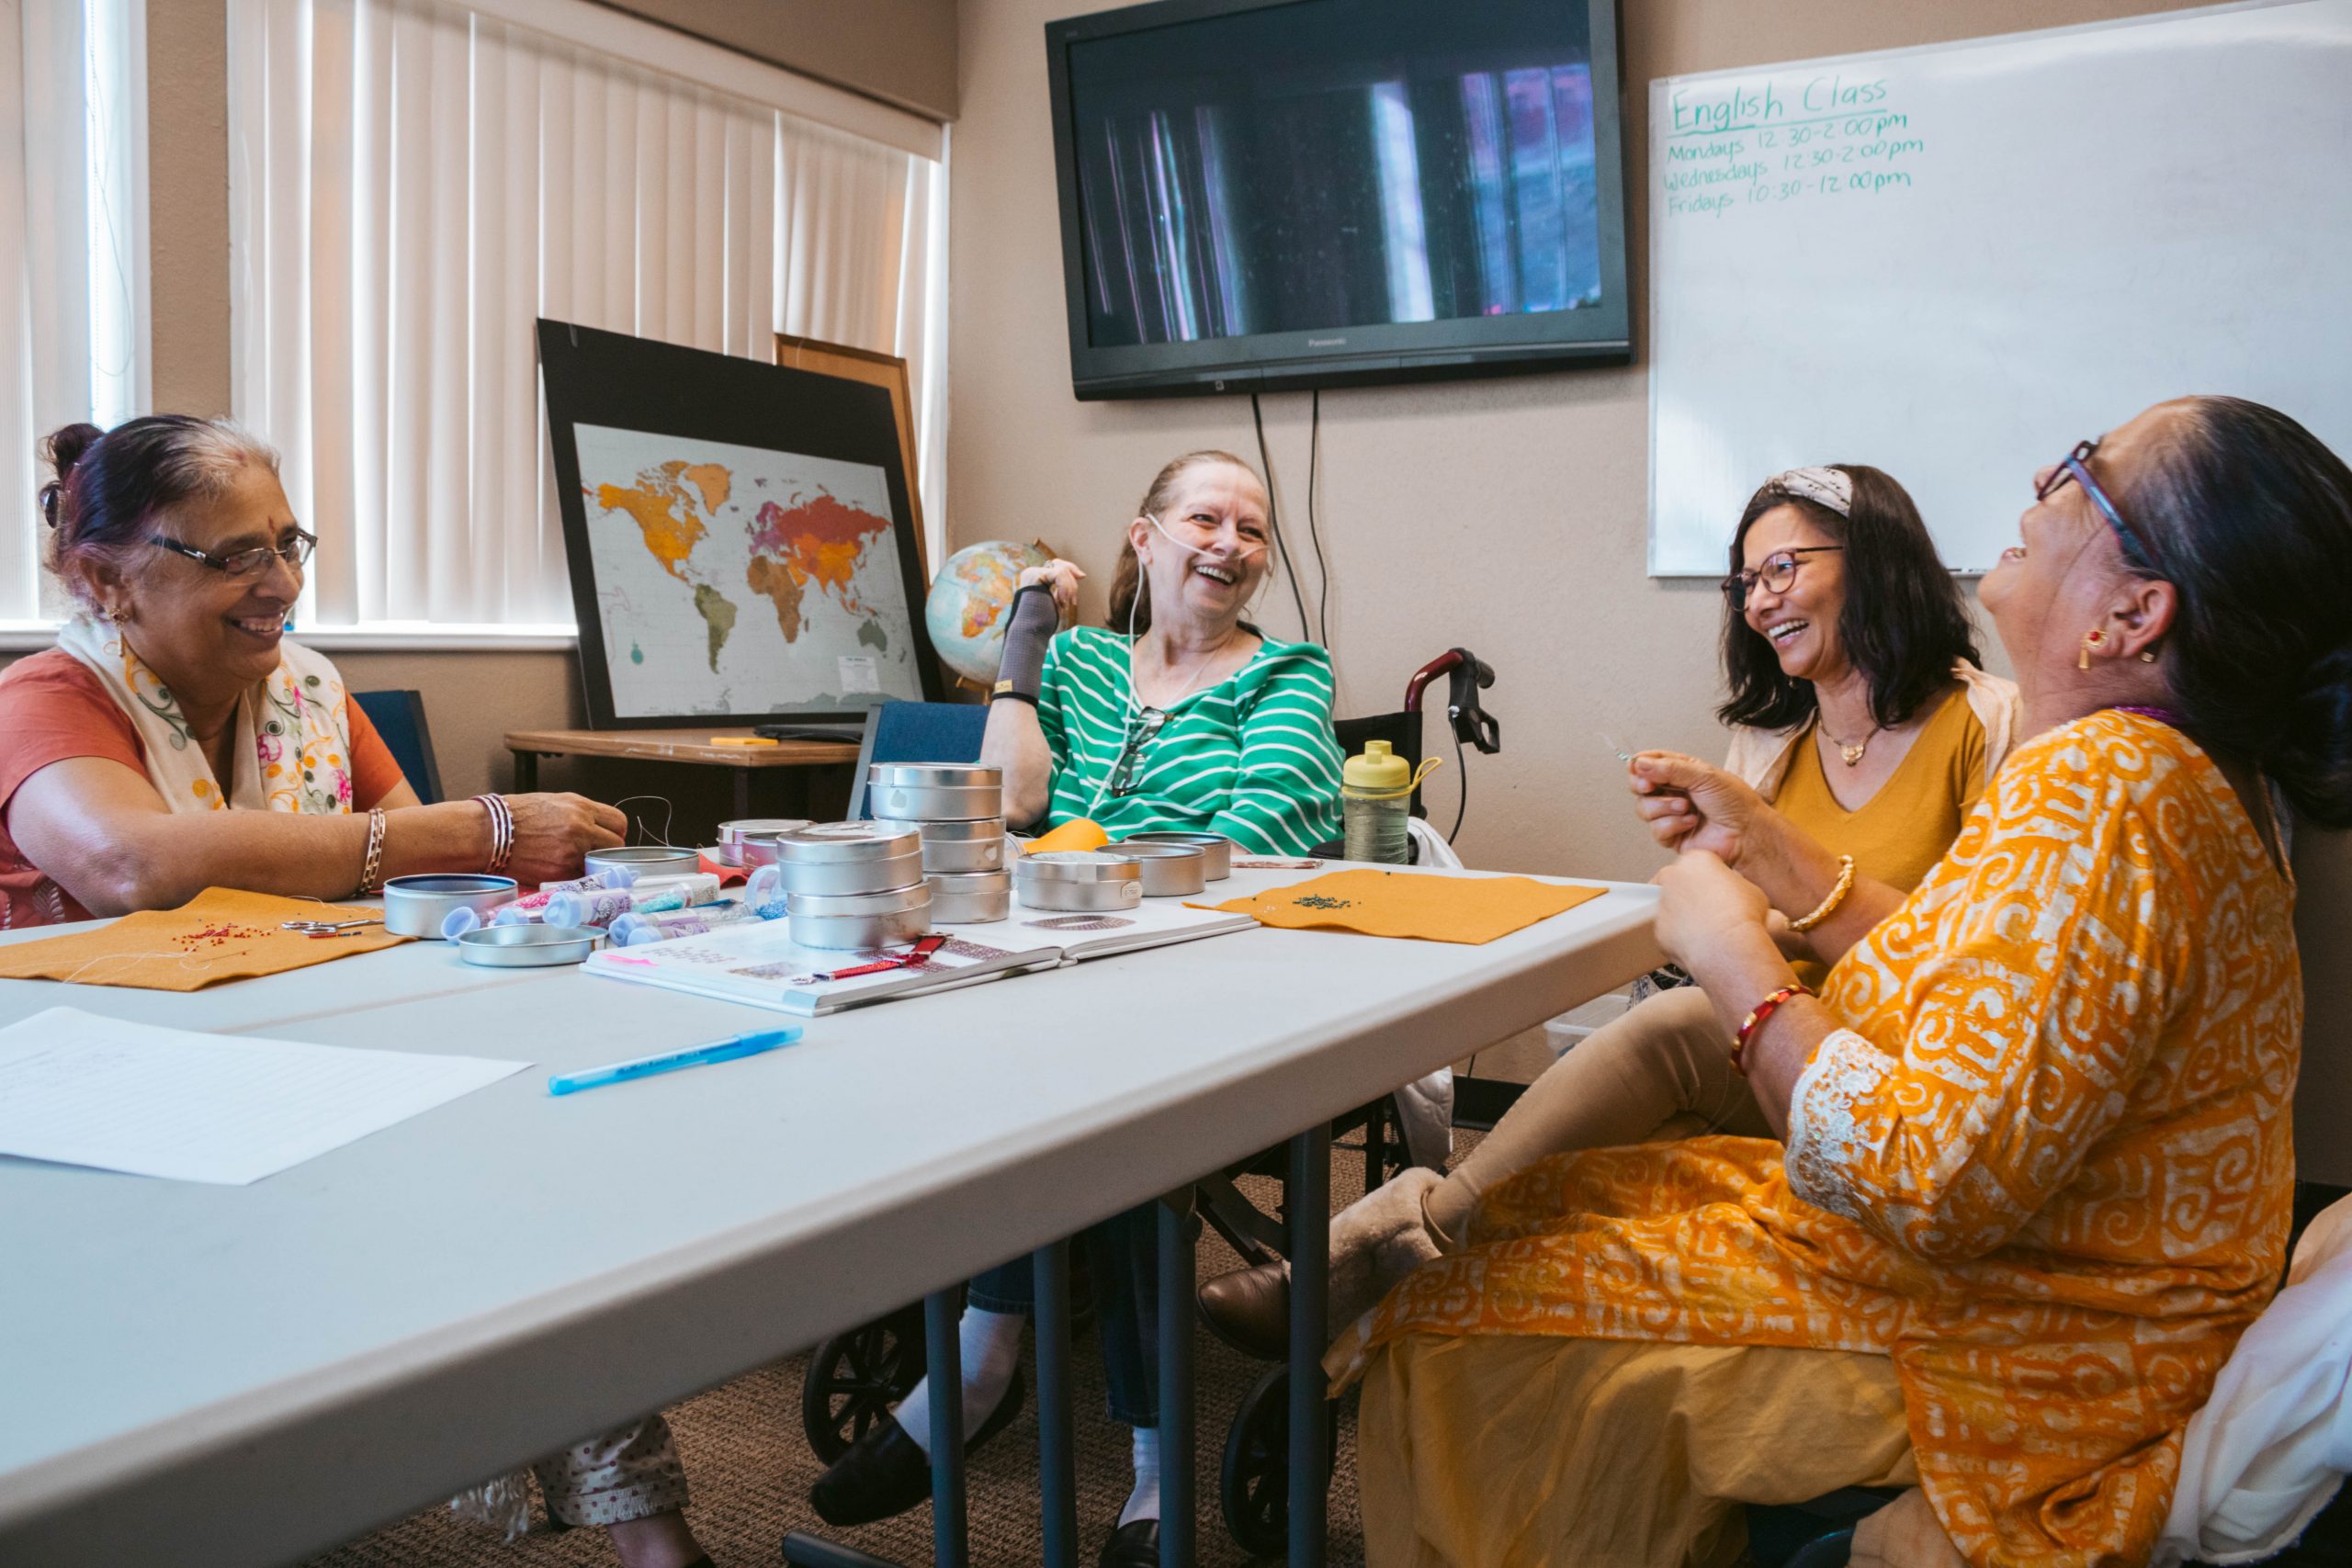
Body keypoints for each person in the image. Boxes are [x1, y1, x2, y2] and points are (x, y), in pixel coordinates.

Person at [1337, 397, 2349, 1568]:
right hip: (2089, 1299)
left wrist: (1733, 957)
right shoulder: (2171, 775)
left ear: (2134, 613)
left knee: (1460, 1313)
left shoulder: (2097, 779)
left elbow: (1933, 1185)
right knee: (1554, 1200)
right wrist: (1764, 853)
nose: (2040, 473)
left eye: (2083, 469)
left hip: (2028, 1347)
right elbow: (1964, 988)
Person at [2, 417, 713, 1568]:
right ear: (102, 578)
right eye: (234, 555)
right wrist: (471, 826)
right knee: (491, 1201)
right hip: (90, 1124)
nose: (279, 583)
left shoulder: (306, 694)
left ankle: (654, 1542)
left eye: (289, 544)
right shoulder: (46, 696)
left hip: (284, 1058)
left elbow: (427, 865)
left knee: (520, 1196)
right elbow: (129, 863)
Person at [1198, 463, 2018, 1359]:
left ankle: (1386, 1253)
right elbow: (1743, 927)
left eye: (1781, 569)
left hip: (1893, 1056)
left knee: (1665, 1028)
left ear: (1873, 559)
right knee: (1601, 1155)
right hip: (1765, 1028)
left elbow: (1979, 957)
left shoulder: (1990, 723)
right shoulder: (1770, 741)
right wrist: (1719, 878)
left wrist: (1765, 884)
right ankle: (1429, 1315)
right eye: (1744, 583)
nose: (1755, 602)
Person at [808, 449, 1343, 1567]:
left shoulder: (1288, 672)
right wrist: (1020, 657)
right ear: (1143, 538)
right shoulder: (1085, 663)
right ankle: (1003, 1364)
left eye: (1251, 529)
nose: (1231, 543)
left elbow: (1264, 837)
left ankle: (997, 1367)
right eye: (1204, 517)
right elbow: (1008, 803)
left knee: (1108, 1115)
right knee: (1028, 1066)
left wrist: (1086, 857)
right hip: (1053, 961)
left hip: (1208, 970)